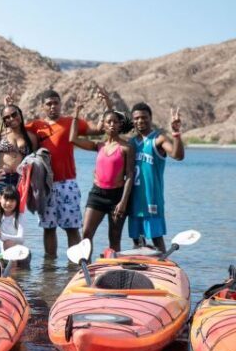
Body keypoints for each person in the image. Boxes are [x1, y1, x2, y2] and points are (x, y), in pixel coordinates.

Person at [25, 89, 110, 257]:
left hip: (67, 184)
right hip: (45, 186)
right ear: (43, 106)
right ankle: (49, 268)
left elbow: (99, 130)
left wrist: (107, 105)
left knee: (72, 228)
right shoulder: (36, 126)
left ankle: (77, 266)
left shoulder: (72, 122)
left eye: (55, 103)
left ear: (60, 104)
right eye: (48, 104)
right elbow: (13, 127)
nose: (52, 107)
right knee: (48, 228)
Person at [70, 105, 135, 254]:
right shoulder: (98, 146)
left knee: (114, 238)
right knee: (86, 234)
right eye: (108, 122)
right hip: (97, 195)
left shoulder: (126, 148)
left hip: (117, 197)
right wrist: (76, 115)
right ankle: (86, 269)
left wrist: (123, 202)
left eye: (115, 122)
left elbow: (130, 175)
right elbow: (72, 138)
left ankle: (114, 269)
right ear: (103, 126)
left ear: (120, 125)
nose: (112, 124)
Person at [0, 104, 37, 249]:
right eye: (6, 118)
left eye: (14, 114)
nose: (11, 119)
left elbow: (35, 162)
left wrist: (33, 188)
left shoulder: (31, 137)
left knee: (14, 220)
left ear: (20, 114)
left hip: (18, 181)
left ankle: (11, 257)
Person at [128, 103, 184, 252]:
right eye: (137, 118)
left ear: (150, 118)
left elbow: (178, 156)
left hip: (152, 200)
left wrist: (176, 134)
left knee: (156, 238)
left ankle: (163, 266)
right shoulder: (131, 143)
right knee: (137, 241)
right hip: (134, 201)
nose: (140, 121)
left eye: (144, 117)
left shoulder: (158, 139)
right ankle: (140, 270)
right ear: (132, 121)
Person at [0, 185, 26, 253]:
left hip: (20, 254)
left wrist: (2, 235)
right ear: (0, 199)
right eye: (6, 199)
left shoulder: (20, 216)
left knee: (8, 243)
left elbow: (21, 239)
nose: (8, 203)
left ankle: (11, 263)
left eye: (12, 200)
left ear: (17, 202)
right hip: (4, 255)